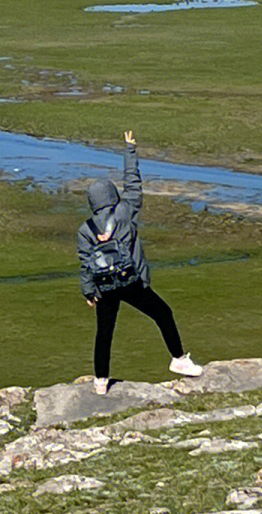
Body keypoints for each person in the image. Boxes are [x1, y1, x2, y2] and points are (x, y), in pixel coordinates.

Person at [78, 130, 203, 395]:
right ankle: (179, 360)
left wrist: (89, 291)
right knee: (162, 313)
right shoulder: (125, 210)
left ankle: (101, 381)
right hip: (131, 281)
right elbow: (133, 183)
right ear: (112, 194)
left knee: (104, 333)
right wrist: (130, 149)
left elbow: (85, 262)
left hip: (105, 287)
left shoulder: (85, 229)